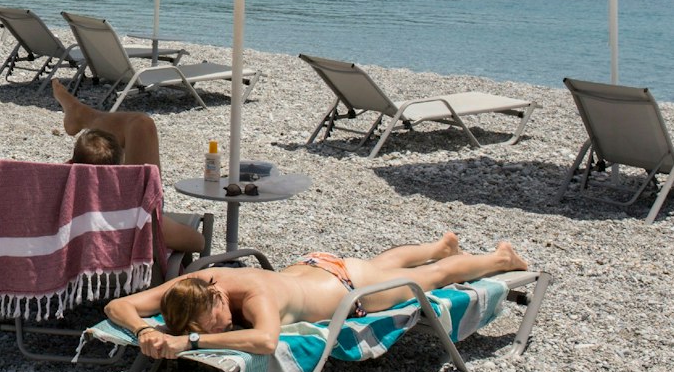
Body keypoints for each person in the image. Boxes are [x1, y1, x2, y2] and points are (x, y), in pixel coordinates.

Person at [106, 233, 530, 357]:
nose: (218, 328)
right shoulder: (191, 287)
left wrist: (190, 341)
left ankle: (498, 259)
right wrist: (144, 330)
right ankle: (439, 245)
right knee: (384, 261)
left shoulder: (254, 297)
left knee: (431, 277)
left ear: (218, 300)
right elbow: (116, 306)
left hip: (351, 288)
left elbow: (266, 341)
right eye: (202, 329)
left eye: (210, 324)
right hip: (315, 268)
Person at [66, 123, 206, 254]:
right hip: (133, 280)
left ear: (72, 164)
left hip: (77, 279)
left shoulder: (62, 212)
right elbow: (198, 243)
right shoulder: (135, 211)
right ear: (119, 170)